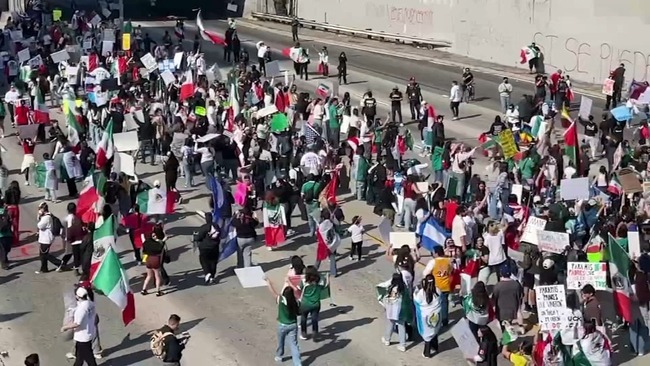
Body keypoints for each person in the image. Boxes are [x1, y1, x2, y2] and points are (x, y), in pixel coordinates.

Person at [266, 277, 302, 366]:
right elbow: (299, 312)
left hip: (282, 324)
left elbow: (273, 292)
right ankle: (297, 363)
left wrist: (268, 283)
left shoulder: (281, 300)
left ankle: (279, 356)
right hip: (293, 324)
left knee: (280, 341)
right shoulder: (295, 302)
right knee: (294, 345)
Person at [60, 287, 98, 366]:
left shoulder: (81, 309)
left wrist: (65, 327)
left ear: (77, 297)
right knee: (80, 357)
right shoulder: (90, 303)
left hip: (82, 337)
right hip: (89, 333)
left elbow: (77, 323)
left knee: (89, 358)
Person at [289, 266, 325, 341]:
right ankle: (315, 332)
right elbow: (324, 287)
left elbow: (298, 289)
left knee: (304, 318)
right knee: (314, 318)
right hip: (316, 303)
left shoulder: (304, 281)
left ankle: (304, 333)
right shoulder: (321, 280)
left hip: (305, 303)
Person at [381, 272, 412, 352]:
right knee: (402, 326)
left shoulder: (391, 288)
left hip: (391, 311)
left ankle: (387, 339)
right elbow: (407, 299)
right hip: (401, 311)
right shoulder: (404, 288)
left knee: (390, 324)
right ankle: (402, 344)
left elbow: (386, 299)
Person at [414, 274, 442, 358]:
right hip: (436, 315)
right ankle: (435, 347)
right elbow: (440, 301)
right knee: (434, 330)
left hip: (425, 317)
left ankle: (427, 352)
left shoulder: (421, 293)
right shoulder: (438, 290)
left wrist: (415, 291)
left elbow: (416, 300)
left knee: (427, 334)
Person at [195, 212, 221, 283]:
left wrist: (196, 238)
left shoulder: (204, 227)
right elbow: (220, 234)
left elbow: (199, 237)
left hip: (205, 248)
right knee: (213, 262)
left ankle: (207, 273)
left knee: (204, 261)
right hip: (215, 247)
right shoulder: (216, 226)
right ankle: (212, 276)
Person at [36, 202, 61, 274]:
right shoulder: (45, 216)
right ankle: (44, 269)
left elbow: (39, 225)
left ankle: (59, 263)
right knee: (42, 254)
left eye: (40, 209)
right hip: (44, 238)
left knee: (44, 254)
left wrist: (39, 216)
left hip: (46, 239)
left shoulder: (46, 217)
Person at [141, 230, 165, 296]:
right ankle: (158, 291)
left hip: (148, 260)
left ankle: (144, 289)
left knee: (149, 275)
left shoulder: (146, 242)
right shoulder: (158, 244)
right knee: (157, 276)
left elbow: (144, 252)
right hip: (155, 260)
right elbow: (160, 252)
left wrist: (144, 261)